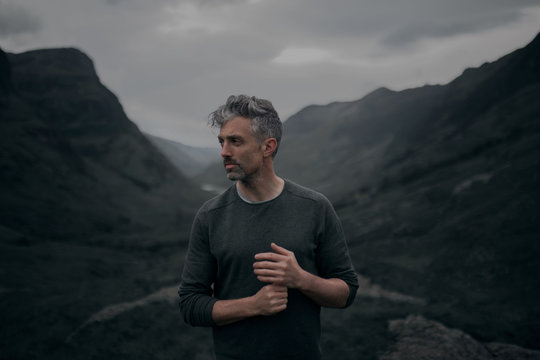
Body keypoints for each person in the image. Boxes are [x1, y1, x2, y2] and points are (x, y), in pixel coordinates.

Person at [178, 95, 358, 360]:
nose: (224, 152)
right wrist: (253, 305)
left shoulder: (315, 207)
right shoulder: (210, 216)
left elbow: (346, 293)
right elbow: (190, 305)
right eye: (222, 141)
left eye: (235, 141)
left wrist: (301, 279)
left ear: (267, 147)